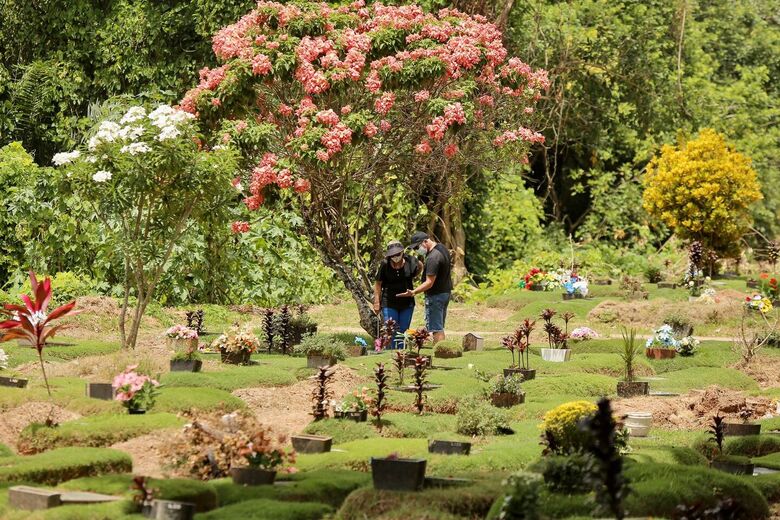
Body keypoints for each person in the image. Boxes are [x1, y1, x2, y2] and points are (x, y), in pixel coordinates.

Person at [397, 231, 452, 342]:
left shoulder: (433, 257)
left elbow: (429, 282)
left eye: (417, 247)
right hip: (445, 292)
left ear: (425, 241)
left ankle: (440, 353)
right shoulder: (442, 248)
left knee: (436, 328)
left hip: (436, 295)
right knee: (437, 325)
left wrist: (414, 292)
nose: (417, 250)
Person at [373, 240, 422, 348]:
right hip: (389, 302)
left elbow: (420, 266)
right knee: (391, 330)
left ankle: (400, 355)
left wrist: (413, 276)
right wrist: (377, 301)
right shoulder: (385, 264)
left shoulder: (410, 261)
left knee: (403, 330)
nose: (395, 257)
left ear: (402, 252)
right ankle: (389, 354)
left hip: (407, 302)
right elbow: (378, 284)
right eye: (393, 255)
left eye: (398, 254)